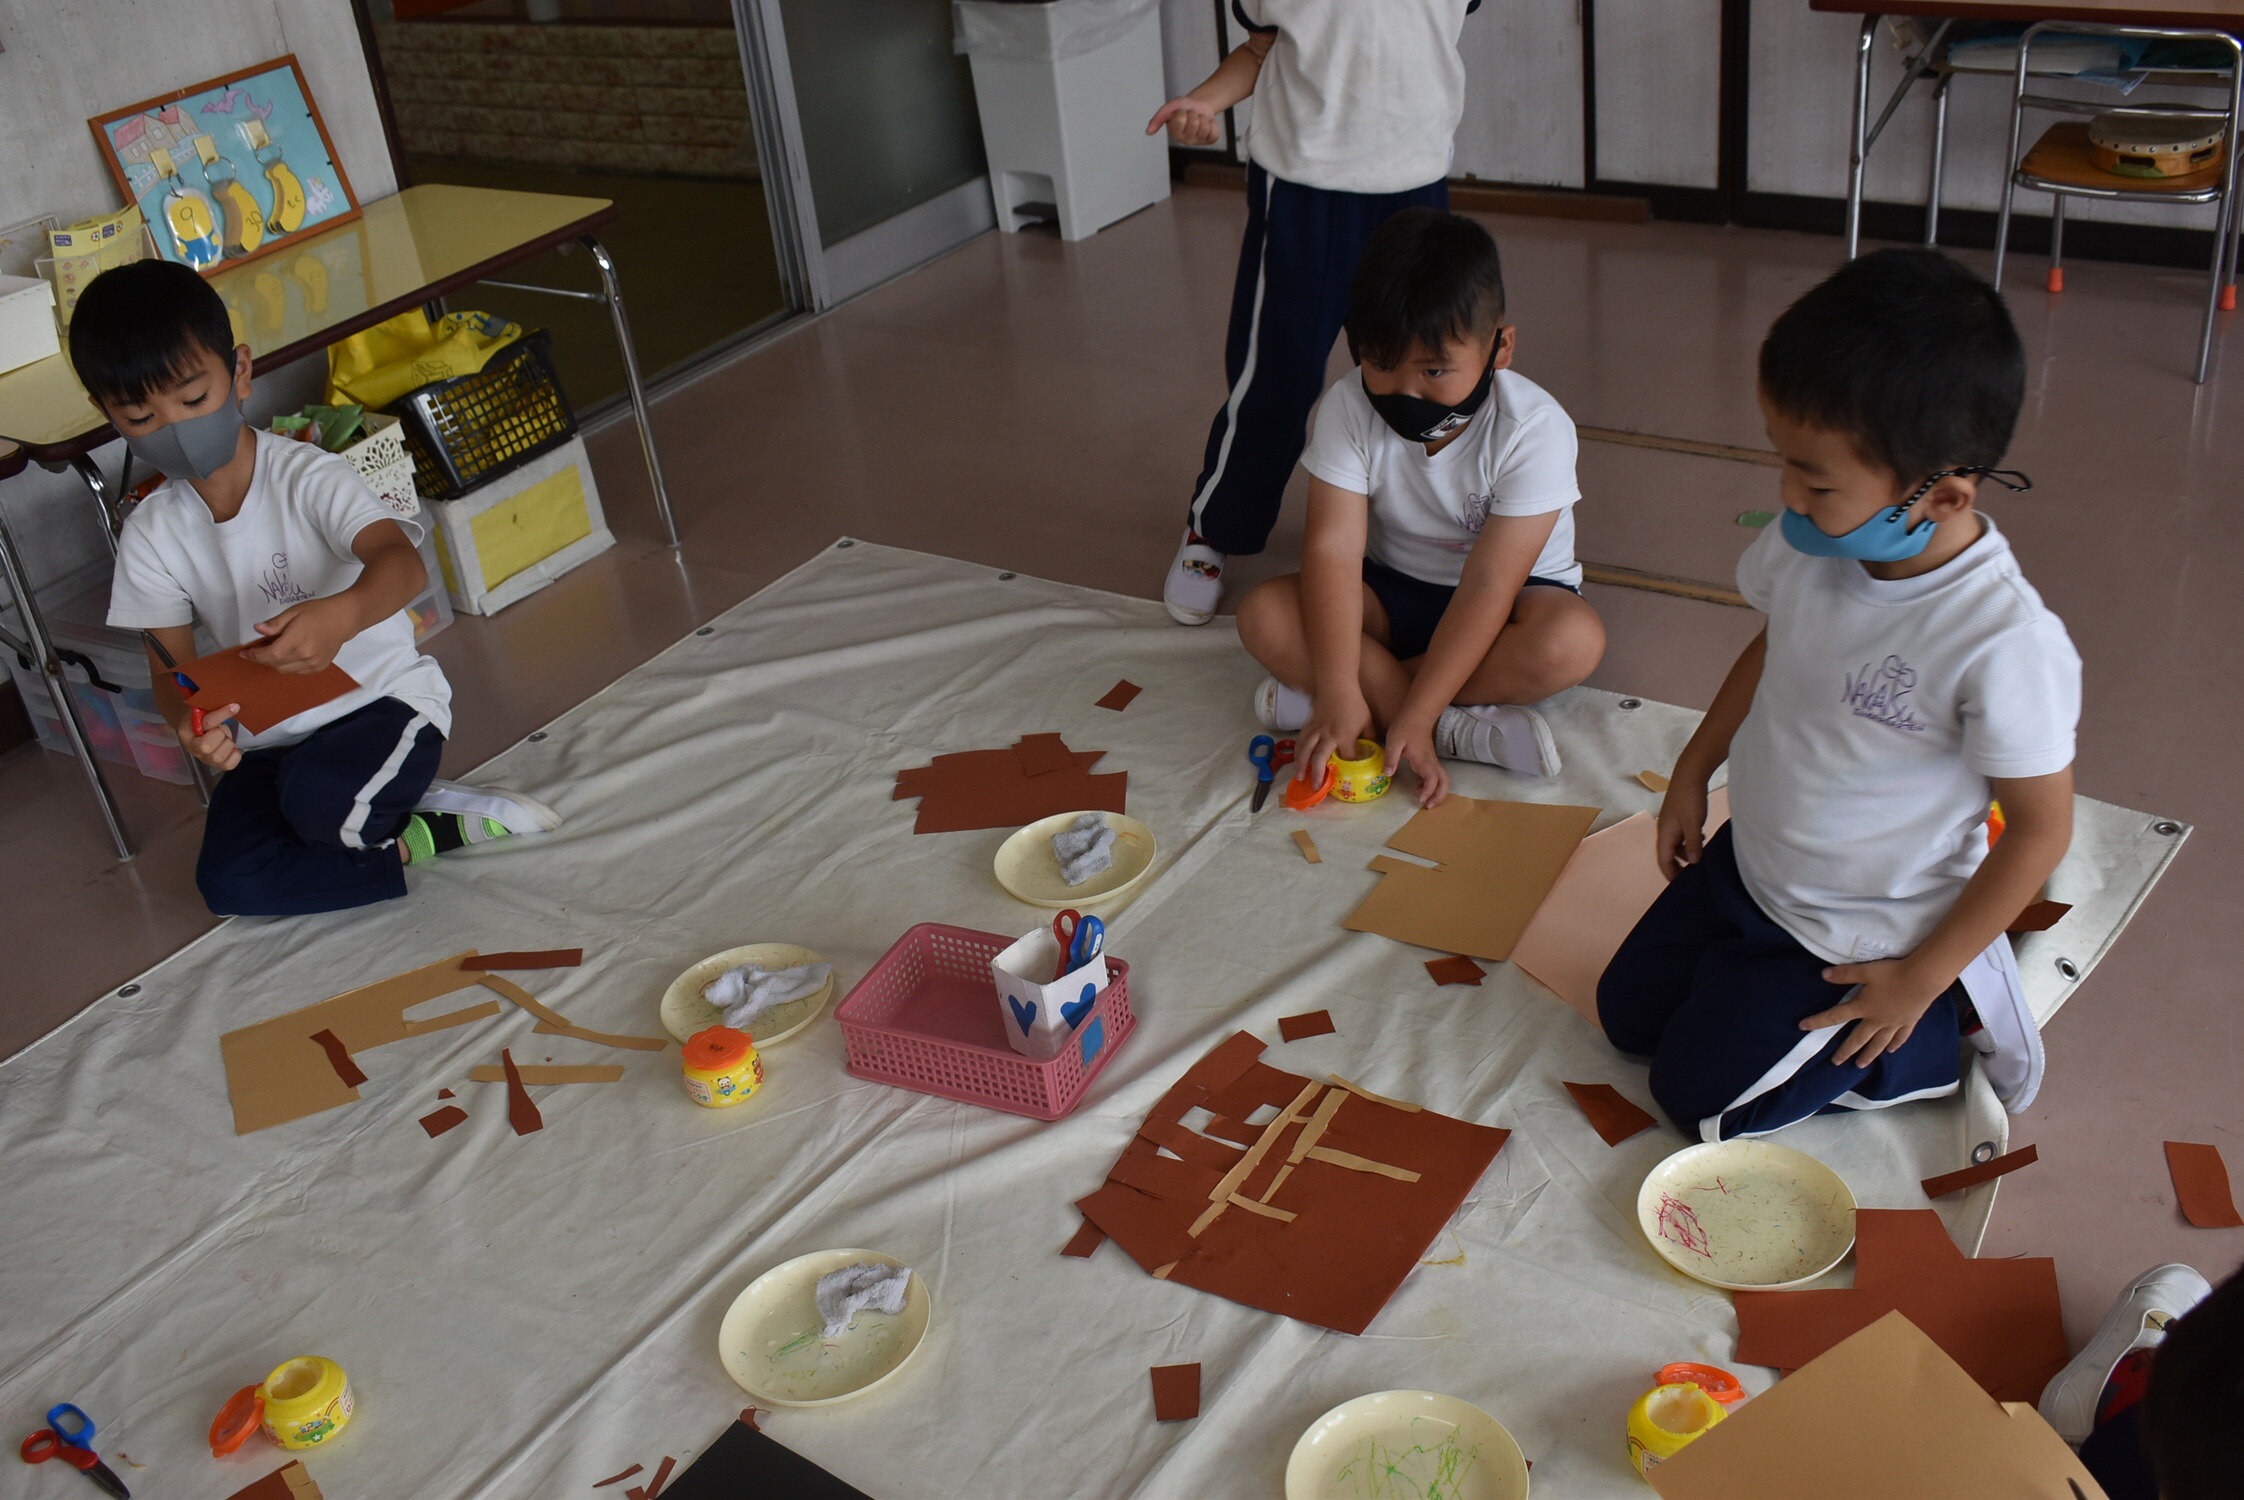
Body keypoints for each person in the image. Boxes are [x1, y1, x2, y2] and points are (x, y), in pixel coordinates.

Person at [1597, 248, 2079, 1140]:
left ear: (1943, 497)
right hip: (1754, 870)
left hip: (1859, 939)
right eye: (1785, 463)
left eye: (1817, 481)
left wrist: (1919, 980)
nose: (1788, 496)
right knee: (1624, 1018)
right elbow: (1775, 643)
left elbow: (2041, 831)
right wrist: (1693, 771)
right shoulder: (1813, 542)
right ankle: (1758, 994)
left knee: (1696, 1100)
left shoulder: (2002, 642)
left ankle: (1929, 1040)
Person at [72, 260, 558, 916]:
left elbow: (402, 565)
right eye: (139, 417)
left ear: (240, 371)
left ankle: (383, 818)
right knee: (229, 884)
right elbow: (171, 670)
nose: (176, 430)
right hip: (270, 742)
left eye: (193, 400)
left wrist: (341, 616)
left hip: (383, 705)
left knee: (319, 806)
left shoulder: (308, 476)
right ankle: (416, 834)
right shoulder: (151, 532)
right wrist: (190, 722)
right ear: (107, 414)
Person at [1232, 208, 1605, 803]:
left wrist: (1406, 708)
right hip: (1390, 593)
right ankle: (1446, 727)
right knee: (1263, 613)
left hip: (1511, 603)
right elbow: (1332, 551)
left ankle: (1375, 710)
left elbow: (1490, 584)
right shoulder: (1347, 406)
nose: (1406, 391)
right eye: (1381, 364)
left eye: (1434, 370)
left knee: (1571, 642)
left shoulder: (1534, 427)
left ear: (1500, 348)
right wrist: (1338, 685)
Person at [1150, 0, 1483, 626]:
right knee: (1278, 377)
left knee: (1418, 375)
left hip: (1414, 187)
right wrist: (1204, 101)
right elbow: (1259, 50)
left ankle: (1414, 540)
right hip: (1304, 189)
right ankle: (1215, 530)